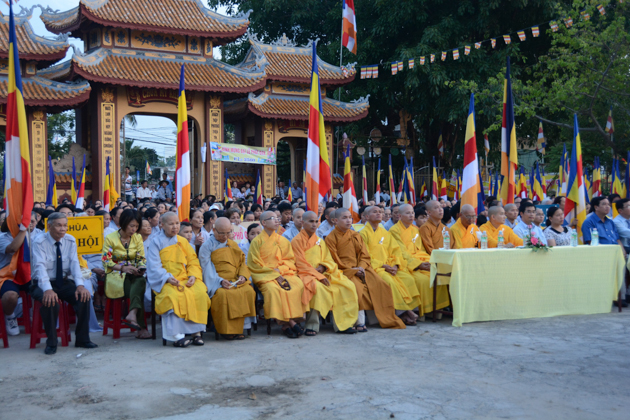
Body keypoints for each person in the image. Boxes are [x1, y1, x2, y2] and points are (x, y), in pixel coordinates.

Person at [325, 208, 405, 330]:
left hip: (361, 268)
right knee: (357, 287)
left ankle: (383, 318)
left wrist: (361, 268)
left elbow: (365, 256)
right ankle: (358, 322)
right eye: (344, 218)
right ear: (335, 220)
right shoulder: (330, 238)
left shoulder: (355, 235)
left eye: (350, 218)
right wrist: (353, 270)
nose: (348, 221)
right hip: (343, 270)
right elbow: (334, 259)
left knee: (381, 284)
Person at [30, 213, 97, 354]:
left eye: (65, 225)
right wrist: (47, 290)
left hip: (63, 282)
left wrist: (80, 285)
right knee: (50, 302)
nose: (63, 229)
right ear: (49, 226)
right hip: (42, 283)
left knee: (84, 297)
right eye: (59, 225)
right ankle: (51, 342)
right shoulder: (39, 242)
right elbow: (40, 268)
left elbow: (74, 264)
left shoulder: (70, 240)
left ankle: (82, 339)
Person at [146, 212, 210, 347]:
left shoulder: (183, 241)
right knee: (173, 296)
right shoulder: (156, 242)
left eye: (177, 223)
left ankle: (196, 332)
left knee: (199, 292)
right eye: (171, 224)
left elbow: (193, 261)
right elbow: (154, 266)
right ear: (162, 225)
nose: (175, 227)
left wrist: (193, 276)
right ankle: (177, 336)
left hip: (185, 278)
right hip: (166, 280)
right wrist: (167, 278)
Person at [291, 211, 358, 335]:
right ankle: (312, 325)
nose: (314, 224)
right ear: (303, 223)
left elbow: (328, 258)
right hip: (306, 274)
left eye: (316, 221)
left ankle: (343, 325)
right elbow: (300, 263)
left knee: (346, 286)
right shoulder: (296, 241)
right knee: (316, 288)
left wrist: (324, 266)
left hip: (324, 273)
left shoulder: (319, 241)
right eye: (311, 221)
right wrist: (318, 275)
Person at [247, 211, 307, 338]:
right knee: (273, 290)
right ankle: (289, 322)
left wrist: (280, 270)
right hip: (265, 275)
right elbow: (254, 265)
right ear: (264, 223)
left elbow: (290, 260)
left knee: (297, 285)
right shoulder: (256, 242)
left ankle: (287, 324)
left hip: (283, 272)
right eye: (273, 218)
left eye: (277, 218)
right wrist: (274, 274)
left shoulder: (282, 240)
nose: (277, 220)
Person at [359, 206, 420, 325]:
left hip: (390, 266)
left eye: (380, 212)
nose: (379, 214)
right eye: (375, 212)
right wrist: (383, 266)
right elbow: (365, 255)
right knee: (389, 282)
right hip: (374, 268)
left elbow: (395, 250)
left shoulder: (385, 232)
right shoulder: (362, 233)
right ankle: (402, 313)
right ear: (366, 217)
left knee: (408, 278)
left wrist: (396, 265)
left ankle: (412, 310)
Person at [199, 218, 256, 340]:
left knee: (248, 291)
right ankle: (226, 330)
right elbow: (207, 269)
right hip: (218, 281)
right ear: (214, 230)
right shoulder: (207, 247)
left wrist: (243, 276)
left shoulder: (232, 244)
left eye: (228, 233)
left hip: (236, 280)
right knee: (223, 295)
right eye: (221, 233)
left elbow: (242, 263)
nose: (225, 237)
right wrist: (220, 281)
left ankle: (242, 327)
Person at [390, 204, 449, 317]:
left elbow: (421, 250)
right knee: (422, 280)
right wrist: (418, 264)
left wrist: (429, 261)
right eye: (408, 213)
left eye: (412, 213)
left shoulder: (415, 230)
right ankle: (424, 311)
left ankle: (437, 309)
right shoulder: (394, 230)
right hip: (406, 263)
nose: (411, 215)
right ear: (400, 216)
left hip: (419, 259)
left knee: (437, 274)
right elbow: (401, 252)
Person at [102, 209, 150, 339]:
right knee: (138, 289)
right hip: (115, 275)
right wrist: (122, 268)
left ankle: (132, 314)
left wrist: (140, 268)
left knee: (140, 281)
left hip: (133, 273)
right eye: (131, 226)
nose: (134, 229)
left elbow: (141, 258)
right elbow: (106, 260)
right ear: (123, 223)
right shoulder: (111, 238)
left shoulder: (137, 237)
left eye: (136, 226)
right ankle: (140, 327)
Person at [0, 224, 29, 335]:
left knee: (46, 289)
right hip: (8, 276)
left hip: (27, 274)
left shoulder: (38, 235)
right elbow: (12, 248)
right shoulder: (2, 237)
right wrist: (23, 231)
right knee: (10, 296)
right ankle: (10, 316)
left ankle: (40, 317)